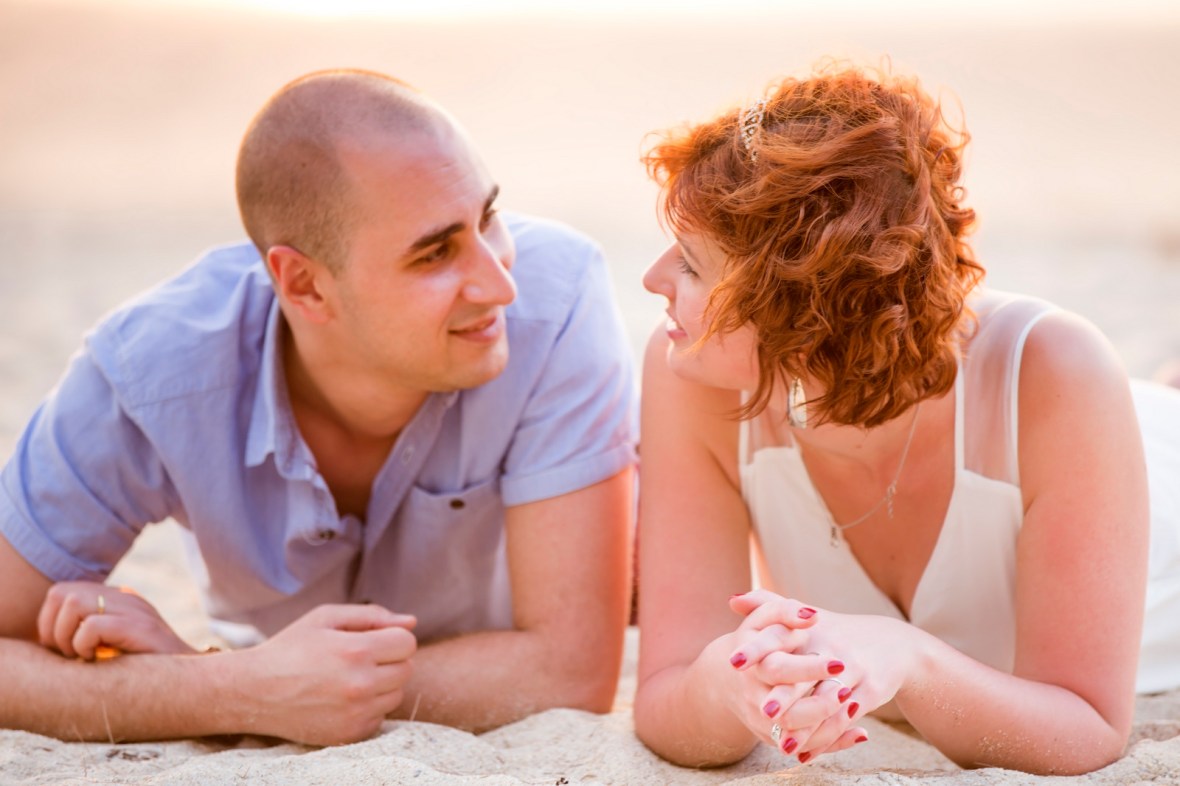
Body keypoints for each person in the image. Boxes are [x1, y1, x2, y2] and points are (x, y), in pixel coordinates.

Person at [0, 69, 637, 744]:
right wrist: (239, 689)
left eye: (488, 219)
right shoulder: (152, 375)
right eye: (435, 254)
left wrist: (227, 682)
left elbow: (569, 674)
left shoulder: (555, 300)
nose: (500, 283)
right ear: (302, 284)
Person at [633, 61, 1180, 775]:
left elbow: (1087, 728)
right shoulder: (692, 370)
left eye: (695, 267)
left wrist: (908, 658)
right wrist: (730, 686)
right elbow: (667, 695)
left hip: (1139, 450)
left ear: (804, 310)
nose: (652, 279)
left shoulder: (1057, 369)